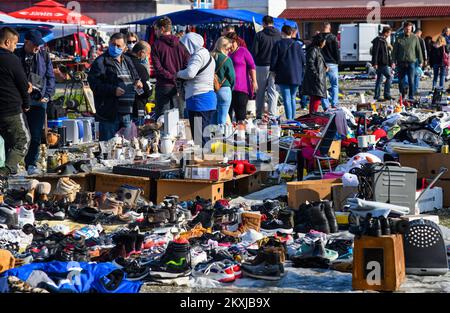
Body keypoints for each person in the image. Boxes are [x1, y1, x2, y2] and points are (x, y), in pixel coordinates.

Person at [87, 32, 143, 141]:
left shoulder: (127, 60)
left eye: (118, 46)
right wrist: (113, 90)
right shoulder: (100, 62)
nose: (115, 47)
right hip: (110, 113)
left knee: (127, 147)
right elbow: (94, 84)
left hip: (127, 112)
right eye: (113, 44)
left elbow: (135, 76)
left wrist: (137, 82)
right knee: (109, 146)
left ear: (124, 48)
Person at [15, 30, 55, 175]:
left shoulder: (44, 55)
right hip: (20, 101)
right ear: (26, 42)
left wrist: (48, 95)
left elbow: (50, 77)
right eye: (35, 45)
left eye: (39, 45)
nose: (37, 47)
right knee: (19, 134)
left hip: (39, 100)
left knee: (36, 134)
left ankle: (31, 163)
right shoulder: (16, 55)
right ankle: (14, 164)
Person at [0, 27, 31, 176]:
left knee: (8, 143)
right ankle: (5, 172)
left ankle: (11, 172)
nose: (14, 47)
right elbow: (23, 84)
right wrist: (27, 103)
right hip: (11, 109)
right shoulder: (11, 59)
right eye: (14, 43)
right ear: (7, 42)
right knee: (23, 141)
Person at [177, 32, 216, 147]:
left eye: (184, 46)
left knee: (199, 137)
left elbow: (190, 73)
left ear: (190, 45)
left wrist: (177, 74)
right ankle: (209, 159)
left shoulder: (198, 55)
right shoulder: (206, 54)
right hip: (207, 99)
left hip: (199, 100)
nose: (183, 49)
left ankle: (204, 161)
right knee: (206, 135)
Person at [151, 17, 190, 119]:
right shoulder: (181, 44)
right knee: (179, 121)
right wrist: (177, 77)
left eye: (156, 29)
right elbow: (188, 64)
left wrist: (173, 77)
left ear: (162, 29)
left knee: (162, 121)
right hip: (179, 86)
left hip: (164, 86)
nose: (155, 32)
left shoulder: (156, 45)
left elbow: (158, 68)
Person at [270, 25, 305, 120]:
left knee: (286, 98)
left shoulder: (278, 44)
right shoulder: (297, 45)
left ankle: (289, 119)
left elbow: (273, 60)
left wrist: (272, 72)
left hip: (283, 74)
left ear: (282, 33)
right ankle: (293, 118)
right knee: (293, 97)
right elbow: (303, 60)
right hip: (296, 75)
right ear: (291, 33)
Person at [251, 15, 281, 119]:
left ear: (263, 23)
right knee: (273, 92)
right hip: (275, 66)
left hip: (261, 65)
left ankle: (259, 115)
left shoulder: (259, 35)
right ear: (272, 22)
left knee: (260, 92)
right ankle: (272, 116)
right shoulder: (279, 35)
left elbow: (254, 52)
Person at [226, 32, 257, 122]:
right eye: (229, 43)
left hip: (241, 88)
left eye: (232, 42)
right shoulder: (225, 53)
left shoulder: (243, 51)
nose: (231, 45)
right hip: (228, 88)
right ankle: (229, 134)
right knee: (227, 114)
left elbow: (252, 66)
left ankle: (241, 134)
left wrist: (254, 81)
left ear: (236, 41)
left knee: (240, 115)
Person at [392, 22, 423, 101]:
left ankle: (411, 96)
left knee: (411, 80)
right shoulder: (399, 37)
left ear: (411, 29)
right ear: (404, 29)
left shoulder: (415, 38)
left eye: (410, 29)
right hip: (401, 62)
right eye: (407, 29)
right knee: (401, 81)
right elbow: (395, 50)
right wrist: (393, 61)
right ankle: (402, 95)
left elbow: (418, 50)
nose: (408, 30)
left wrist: (421, 60)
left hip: (411, 62)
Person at [211, 36, 235, 125]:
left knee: (213, 116)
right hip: (224, 89)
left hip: (212, 90)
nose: (229, 51)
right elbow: (232, 77)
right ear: (223, 47)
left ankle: (212, 136)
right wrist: (231, 87)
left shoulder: (210, 57)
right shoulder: (227, 59)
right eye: (228, 48)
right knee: (222, 117)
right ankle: (220, 137)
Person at [302, 34, 327, 114]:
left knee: (316, 98)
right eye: (324, 42)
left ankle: (313, 115)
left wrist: (324, 67)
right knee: (315, 98)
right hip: (316, 79)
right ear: (321, 42)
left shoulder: (317, 49)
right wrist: (316, 75)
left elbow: (316, 63)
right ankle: (312, 116)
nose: (325, 43)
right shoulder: (313, 50)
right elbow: (310, 63)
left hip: (318, 78)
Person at [128, 41, 152, 120]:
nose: (148, 57)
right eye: (147, 54)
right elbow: (146, 90)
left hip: (121, 106)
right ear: (141, 52)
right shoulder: (140, 67)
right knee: (137, 130)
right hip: (137, 105)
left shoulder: (123, 61)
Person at [318, 22, 340, 110]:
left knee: (322, 85)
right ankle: (334, 103)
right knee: (334, 85)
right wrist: (338, 62)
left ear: (322, 27)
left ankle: (325, 105)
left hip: (321, 64)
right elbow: (336, 51)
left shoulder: (318, 37)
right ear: (329, 28)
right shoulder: (333, 37)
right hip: (332, 63)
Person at [371, 26, 394, 101]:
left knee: (379, 80)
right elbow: (375, 52)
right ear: (386, 33)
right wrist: (375, 63)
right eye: (389, 33)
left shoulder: (384, 40)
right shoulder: (378, 40)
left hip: (384, 63)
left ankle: (377, 96)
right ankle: (387, 94)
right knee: (390, 77)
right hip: (381, 63)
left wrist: (391, 63)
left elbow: (388, 53)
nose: (389, 35)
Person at [413, 28, 428, 95]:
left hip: (411, 59)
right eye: (420, 33)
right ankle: (415, 89)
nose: (420, 35)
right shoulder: (421, 40)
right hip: (418, 59)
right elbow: (424, 50)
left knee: (410, 74)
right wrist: (425, 59)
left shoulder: (410, 38)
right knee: (417, 75)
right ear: (418, 33)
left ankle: (410, 88)